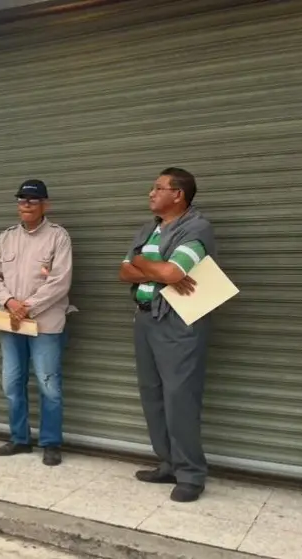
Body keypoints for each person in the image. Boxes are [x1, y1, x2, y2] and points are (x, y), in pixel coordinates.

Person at [119, 167, 216, 503]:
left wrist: (146, 265)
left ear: (178, 195)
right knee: (153, 395)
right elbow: (123, 270)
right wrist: (154, 267)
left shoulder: (196, 227)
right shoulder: (150, 228)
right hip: (146, 319)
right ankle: (169, 464)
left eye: (158, 188)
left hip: (179, 323)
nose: (151, 192)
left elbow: (173, 271)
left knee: (180, 398)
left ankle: (191, 474)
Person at [0, 180, 74, 466]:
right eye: (21, 199)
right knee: (12, 383)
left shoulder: (58, 237)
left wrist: (28, 306)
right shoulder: (7, 237)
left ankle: (50, 442)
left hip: (46, 323)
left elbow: (60, 281)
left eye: (32, 200)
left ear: (45, 204)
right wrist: (11, 303)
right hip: (12, 323)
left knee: (49, 385)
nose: (25, 204)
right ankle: (20, 439)